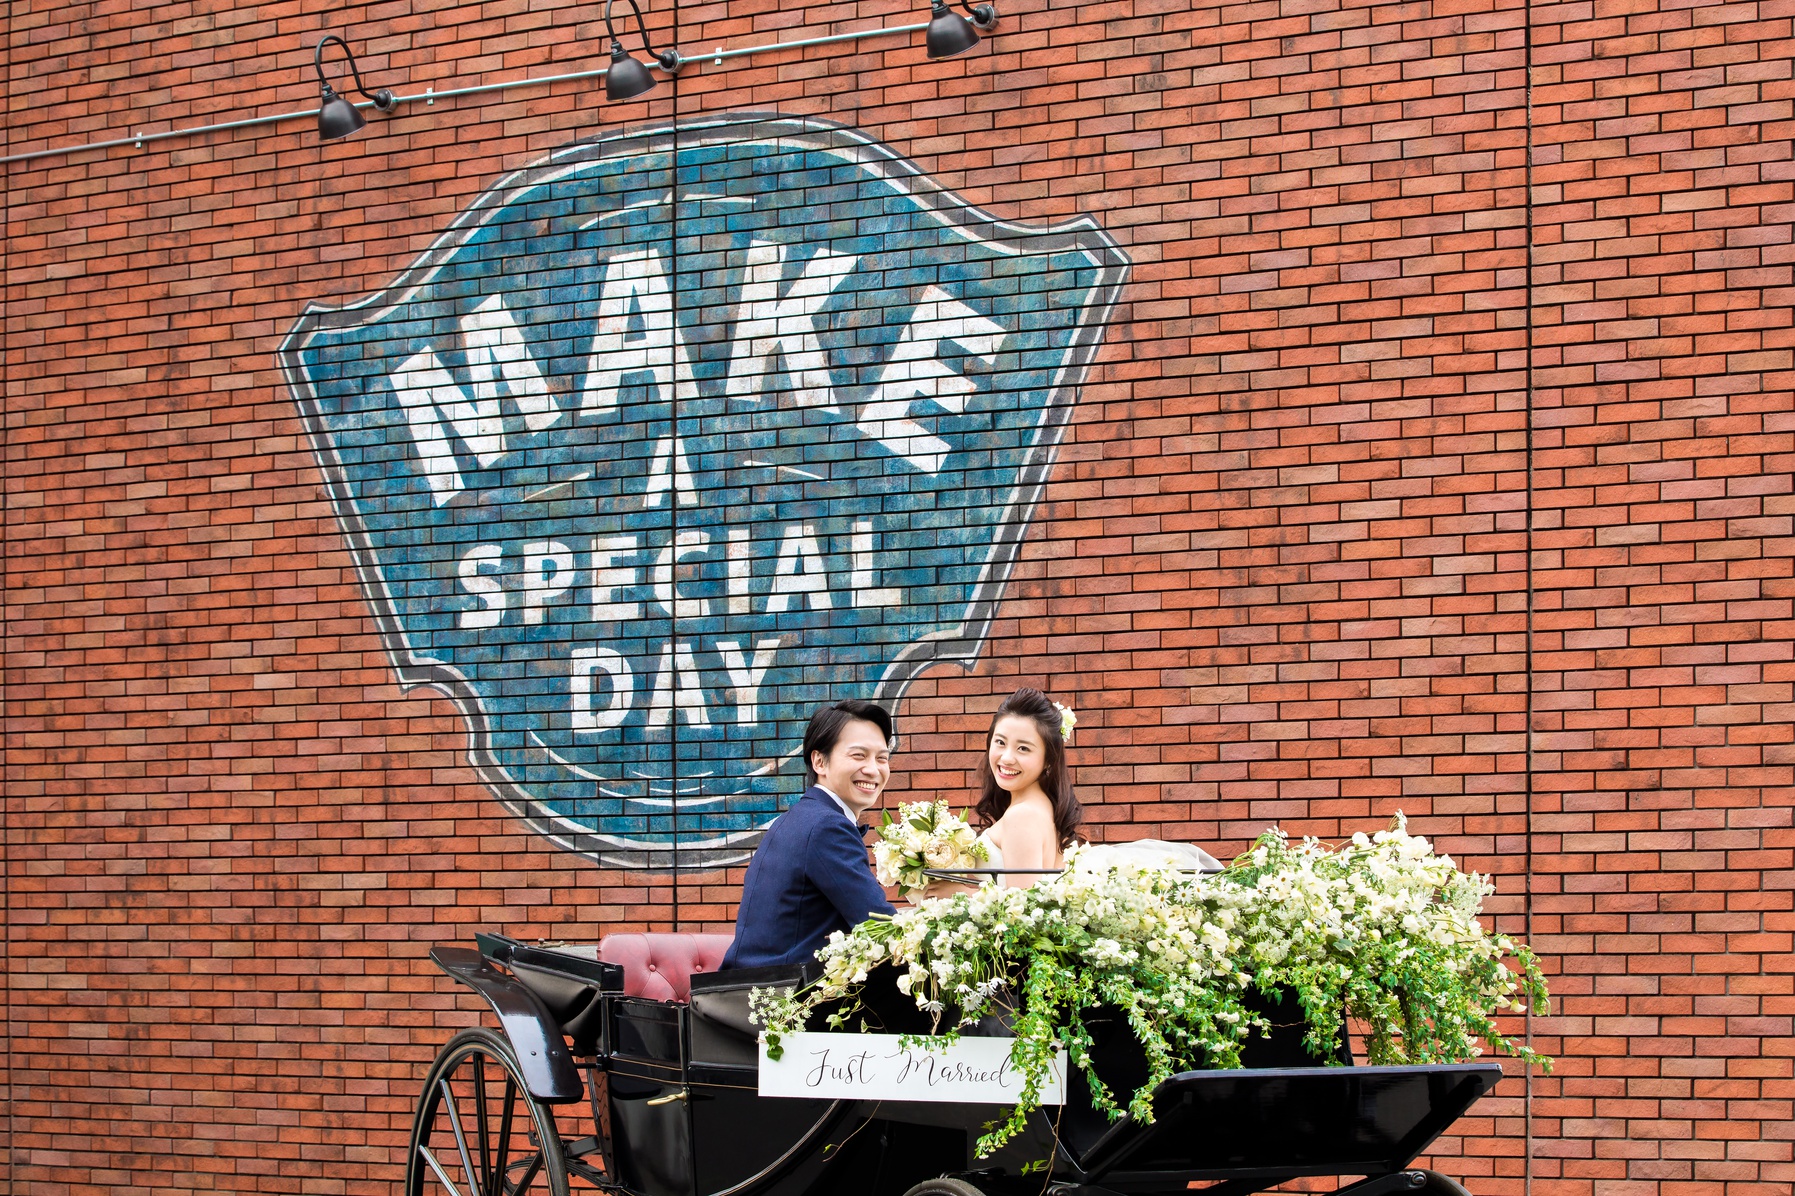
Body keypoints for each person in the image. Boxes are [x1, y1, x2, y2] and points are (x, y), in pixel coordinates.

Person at [721, 700, 899, 970]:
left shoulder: (802, 818)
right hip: (783, 991)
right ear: (819, 761)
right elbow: (878, 925)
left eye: (882, 758)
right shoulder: (828, 827)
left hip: (755, 984)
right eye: (859, 755)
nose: (873, 769)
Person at [970, 687, 1083, 888]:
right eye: (1000, 742)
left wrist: (956, 892)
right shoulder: (1043, 806)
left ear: (1049, 760)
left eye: (1023, 748)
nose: (1007, 758)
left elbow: (1022, 903)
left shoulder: (1022, 815)